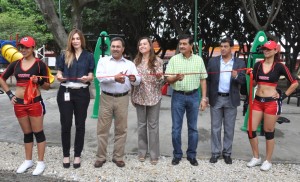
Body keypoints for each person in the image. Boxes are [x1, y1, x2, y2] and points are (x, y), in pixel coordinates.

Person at [0, 36, 50, 175]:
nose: (23, 50)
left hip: (35, 102)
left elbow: (47, 86)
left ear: (33, 48)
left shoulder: (40, 64)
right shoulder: (15, 64)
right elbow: (1, 78)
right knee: (27, 134)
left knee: (38, 133)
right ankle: (28, 160)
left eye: (27, 47)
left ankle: (41, 162)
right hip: (19, 104)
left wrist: (38, 81)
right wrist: (10, 94)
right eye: (21, 47)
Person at [247, 40, 298, 171]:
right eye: (264, 48)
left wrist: (283, 96)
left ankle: (268, 160)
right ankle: (256, 157)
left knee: (269, 132)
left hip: (271, 103)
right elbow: (253, 85)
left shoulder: (280, 66)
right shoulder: (258, 65)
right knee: (251, 130)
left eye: (269, 49)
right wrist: (251, 75)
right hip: (257, 101)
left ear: (276, 51)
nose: (266, 50)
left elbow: (294, 83)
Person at [94, 37, 141, 168]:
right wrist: (114, 78)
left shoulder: (129, 64)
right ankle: (101, 157)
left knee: (121, 129)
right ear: (111, 48)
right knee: (102, 129)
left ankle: (118, 157)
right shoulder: (103, 61)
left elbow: (137, 80)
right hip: (106, 97)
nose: (115, 48)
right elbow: (99, 77)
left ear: (123, 49)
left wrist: (133, 78)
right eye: (113, 46)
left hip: (122, 98)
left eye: (118, 46)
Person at [165, 34, 208, 166]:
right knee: (176, 128)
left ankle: (191, 155)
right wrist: (176, 78)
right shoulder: (173, 60)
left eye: (184, 44)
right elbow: (167, 79)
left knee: (193, 128)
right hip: (178, 96)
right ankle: (177, 155)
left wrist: (204, 98)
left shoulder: (199, 60)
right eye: (180, 44)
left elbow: (203, 79)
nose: (182, 46)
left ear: (191, 46)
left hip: (194, 96)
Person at [56, 29, 95, 169]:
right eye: (73, 39)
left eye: (78, 38)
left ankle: (77, 155)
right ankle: (66, 155)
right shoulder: (64, 55)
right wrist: (59, 77)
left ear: (81, 40)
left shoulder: (89, 56)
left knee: (80, 125)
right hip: (65, 92)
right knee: (66, 125)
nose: (76, 41)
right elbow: (59, 72)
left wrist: (88, 78)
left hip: (82, 94)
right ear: (70, 41)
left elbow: (91, 75)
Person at [206, 37, 246, 164]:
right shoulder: (213, 61)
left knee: (229, 128)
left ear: (232, 48)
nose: (222, 49)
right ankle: (215, 152)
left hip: (231, 98)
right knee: (215, 128)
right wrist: (205, 96)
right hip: (216, 98)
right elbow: (207, 80)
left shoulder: (239, 63)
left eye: (225, 46)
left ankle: (227, 153)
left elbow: (243, 81)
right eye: (221, 46)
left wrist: (237, 76)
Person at [131, 37, 164, 165]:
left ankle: (154, 154)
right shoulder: (135, 61)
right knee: (141, 125)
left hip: (154, 96)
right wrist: (132, 96)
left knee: (153, 125)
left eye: (145, 44)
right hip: (139, 96)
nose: (142, 46)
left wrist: (160, 77)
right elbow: (133, 81)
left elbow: (161, 81)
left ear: (150, 46)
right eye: (140, 44)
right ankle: (142, 152)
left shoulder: (158, 61)